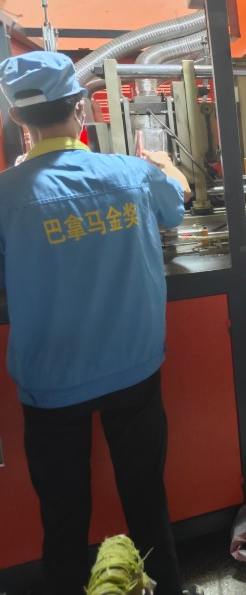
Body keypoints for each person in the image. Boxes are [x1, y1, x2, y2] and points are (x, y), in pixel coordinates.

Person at [0, 52, 197, 595]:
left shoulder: (6, 195)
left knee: (63, 515)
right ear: (82, 108)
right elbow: (178, 205)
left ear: (17, 119)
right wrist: (167, 165)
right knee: (146, 500)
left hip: (51, 382)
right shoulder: (132, 174)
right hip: (133, 370)